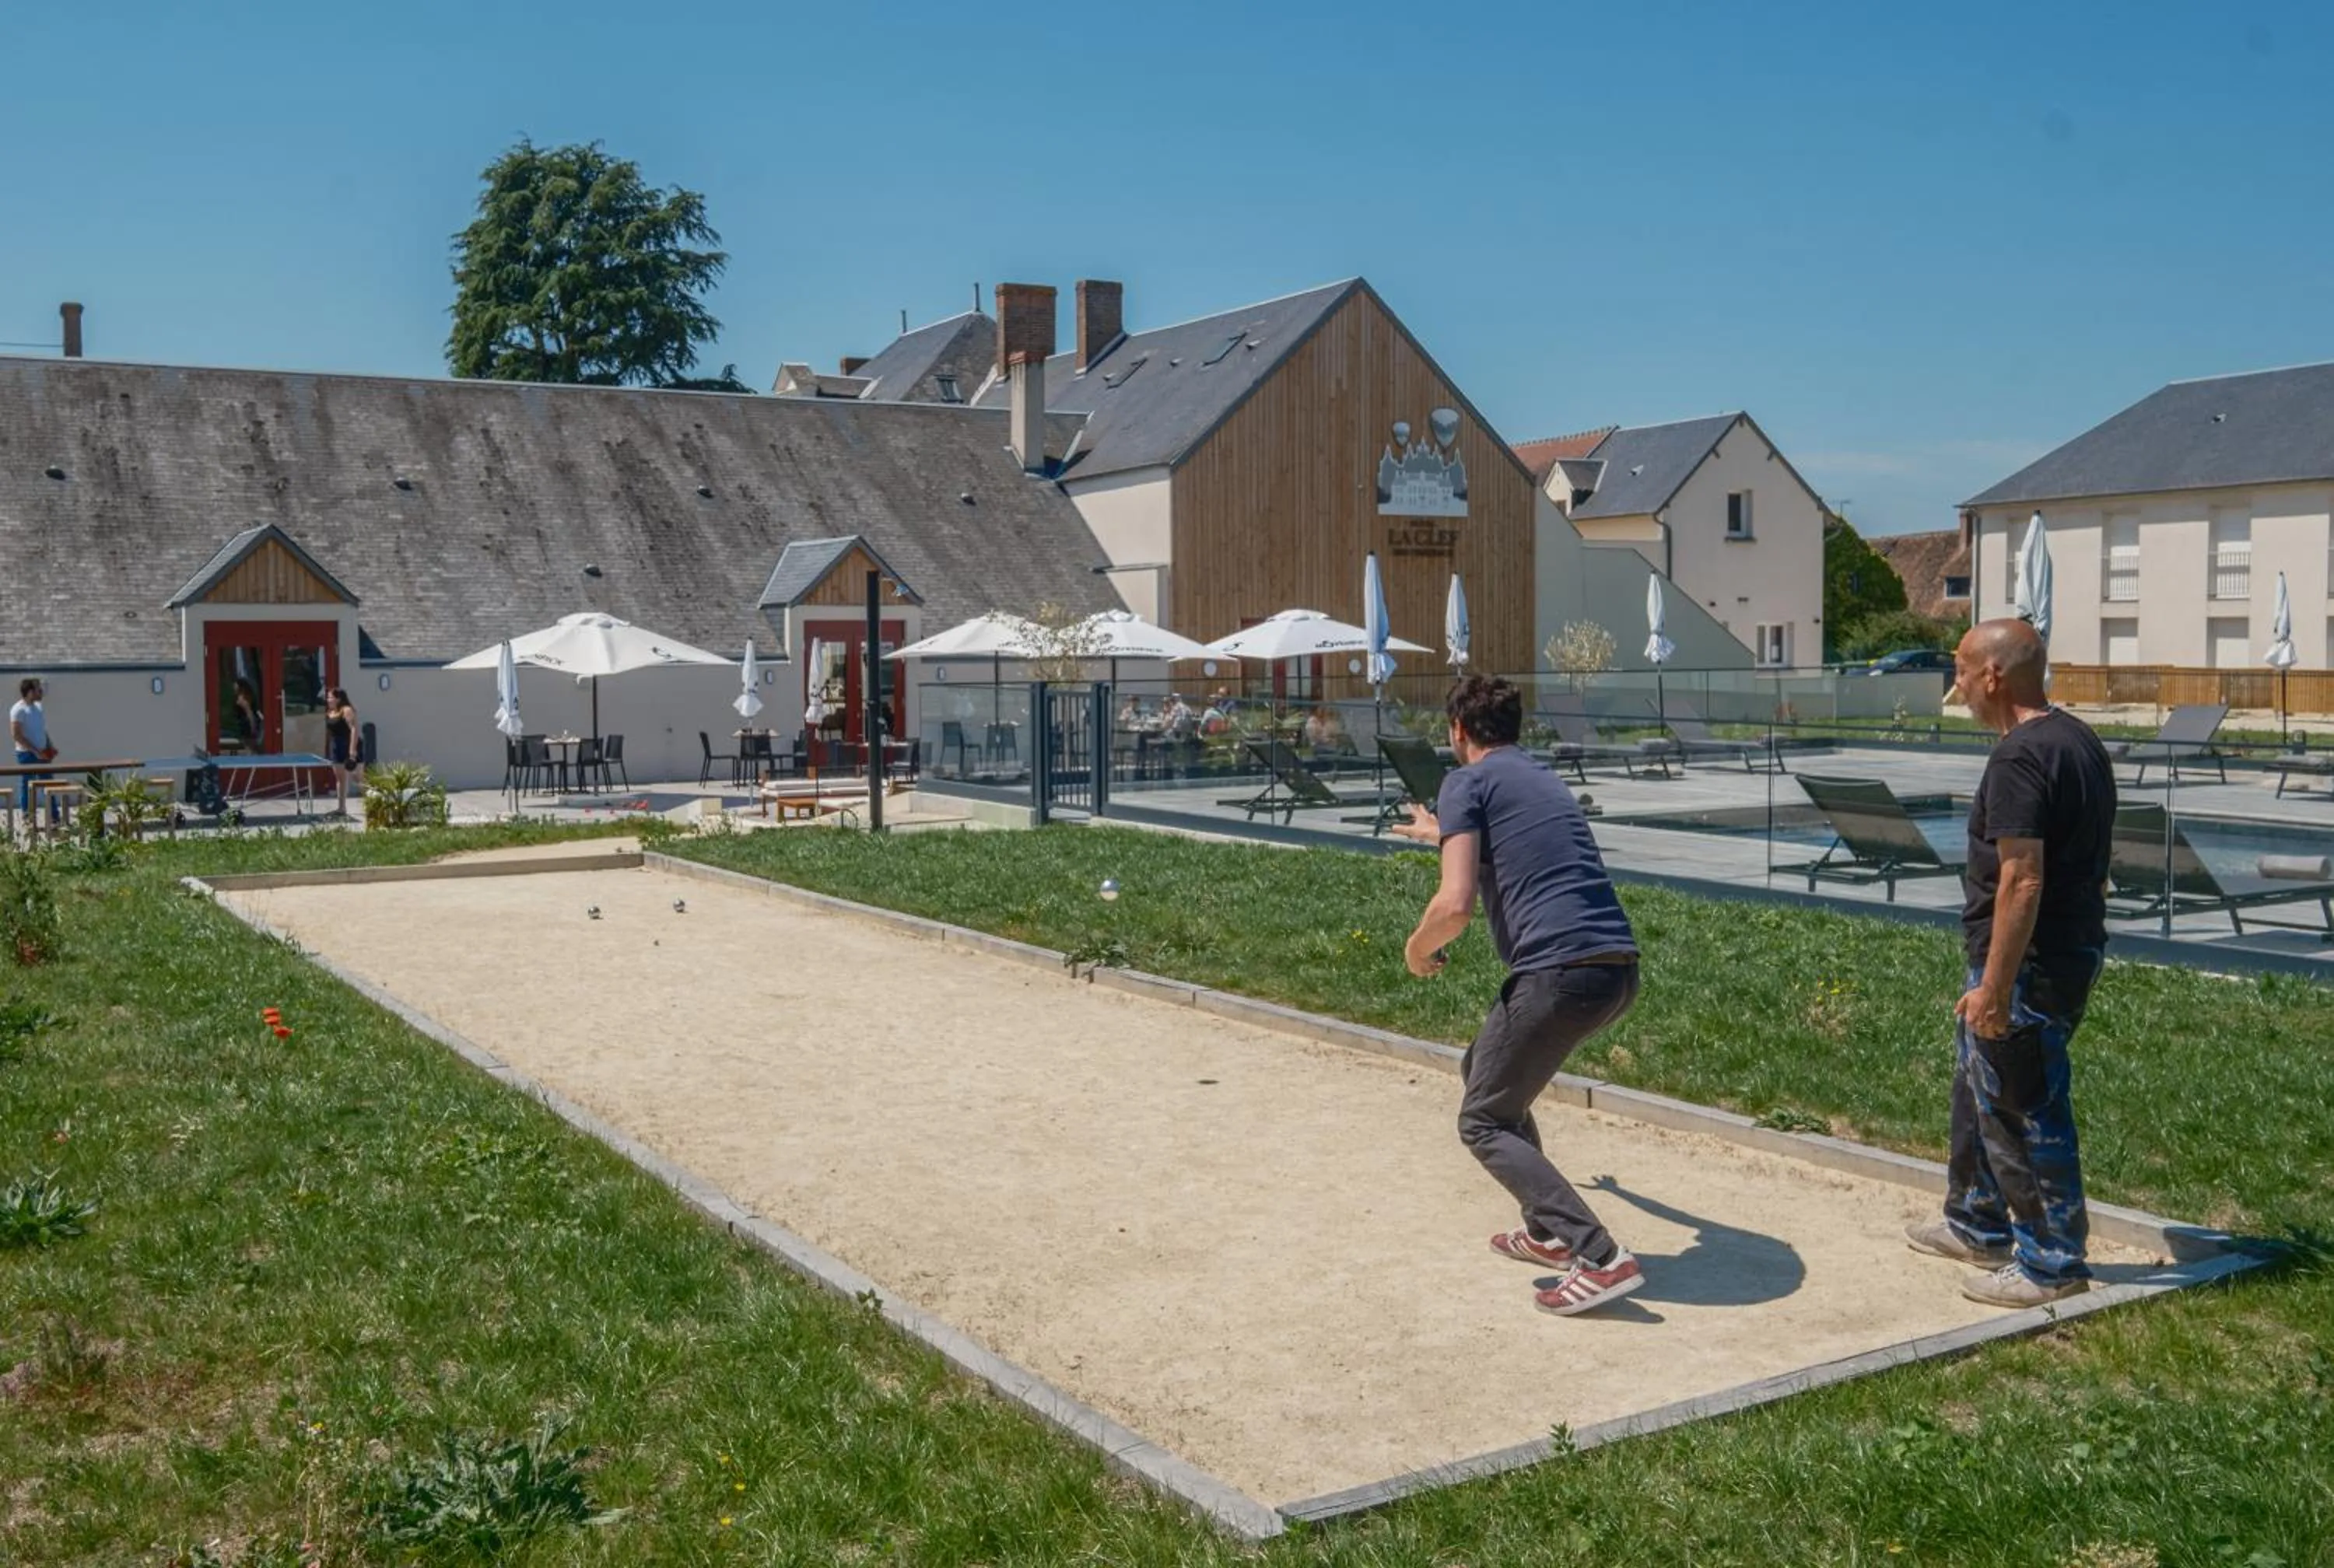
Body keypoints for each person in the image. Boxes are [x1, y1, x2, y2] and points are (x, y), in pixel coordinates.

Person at [1393, 674, 1646, 1316]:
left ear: (1457, 730)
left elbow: (1454, 906)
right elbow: (1512, 843)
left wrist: (1417, 949)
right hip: (1614, 969)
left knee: (1483, 1119)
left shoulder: (1466, 781)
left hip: (1557, 973)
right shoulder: (1537, 776)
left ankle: (1600, 1256)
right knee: (1482, 1070)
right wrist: (1440, 832)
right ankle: (1547, 1234)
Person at [1907, 619, 2115, 1308]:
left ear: (1993, 676)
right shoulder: (2077, 740)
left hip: (2029, 965)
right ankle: (1978, 1223)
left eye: (1962, 671)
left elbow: (2022, 879)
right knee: (1981, 1091)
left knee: (2024, 1108)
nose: (1957, 685)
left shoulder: (2019, 758)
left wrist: (1996, 987)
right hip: (2068, 948)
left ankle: (2052, 1264)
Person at [9, 677, 58, 817]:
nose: (41, 692)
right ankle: (28, 816)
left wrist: (49, 745)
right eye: (38, 690)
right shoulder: (18, 710)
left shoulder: (38, 707)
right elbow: (17, 735)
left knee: (48, 784)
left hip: (43, 752)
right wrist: (35, 751)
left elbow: (42, 730)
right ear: (30, 692)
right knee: (27, 785)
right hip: (26, 754)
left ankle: (54, 816)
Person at [323, 688, 365, 815]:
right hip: (337, 747)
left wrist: (352, 751)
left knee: (358, 778)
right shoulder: (330, 712)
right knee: (340, 779)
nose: (328, 700)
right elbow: (330, 733)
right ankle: (342, 808)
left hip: (350, 745)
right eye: (328, 697)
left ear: (338, 699)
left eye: (330, 697)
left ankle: (375, 802)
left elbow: (354, 730)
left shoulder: (346, 710)